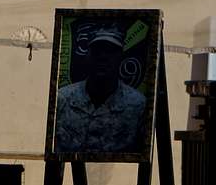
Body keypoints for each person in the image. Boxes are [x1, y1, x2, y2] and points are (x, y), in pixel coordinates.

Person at [54, 25, 147, 154]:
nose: (103, 57)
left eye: (110, 51)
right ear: (88, 56)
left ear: (120, 57)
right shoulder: (62, 99)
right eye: (97, 51)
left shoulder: (139, 105)